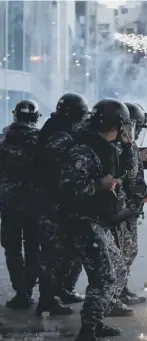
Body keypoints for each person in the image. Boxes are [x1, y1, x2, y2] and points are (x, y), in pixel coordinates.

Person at [59, 99, 131, 341]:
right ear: (117, 123)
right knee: (103, 278)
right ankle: (86, 337)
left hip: (97, 220)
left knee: (117, 270)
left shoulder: (103, 147)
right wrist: (101, 185)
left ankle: (96, 321)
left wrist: (128, 146)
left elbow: (126, 167)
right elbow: (70, 189)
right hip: (83, 221)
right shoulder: (83, 150)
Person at [36, 93, 90, 316]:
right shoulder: (59, 136)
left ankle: (60, 291)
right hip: (52, 204)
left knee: (67, 252)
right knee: (53, 255)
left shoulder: (57, 128)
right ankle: (47, 300)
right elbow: (59, 170)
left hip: (57, 202)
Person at [0, 100, 42, 309]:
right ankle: (30, 288)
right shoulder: (41, 139)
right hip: (34, 205)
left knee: (12, 250)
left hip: (8, 204)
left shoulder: (3, 138)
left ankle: (21, 293)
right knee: (34, 248)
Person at [118, 102, 147, 305]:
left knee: (125, 252)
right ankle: (117, 294)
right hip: (122, 208)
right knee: (125, 251)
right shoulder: (124, 147)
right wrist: (145, 193)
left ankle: (121, 289)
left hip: (124, 208)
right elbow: (133, 178)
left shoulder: (120, 144)